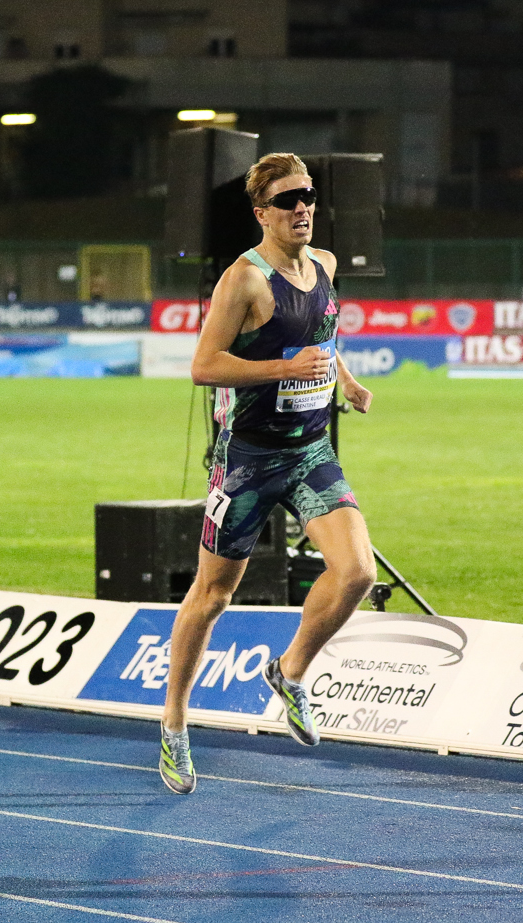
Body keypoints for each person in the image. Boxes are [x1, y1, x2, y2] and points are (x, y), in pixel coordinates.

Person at [158, 152, 377, 794]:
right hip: (247, 460)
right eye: (287, 200)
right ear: (262, 213)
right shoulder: (244, 280)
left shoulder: (325, 265)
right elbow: (204, 365)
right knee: (213, 595)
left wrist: (344, 378)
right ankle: (174, 723)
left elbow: (321, 337)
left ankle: (291, 672)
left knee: (357, 572)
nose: (302, 207)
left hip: (310, 451)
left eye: (307, 195)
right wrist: (284, 370)